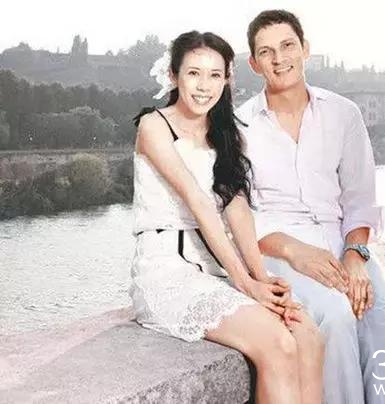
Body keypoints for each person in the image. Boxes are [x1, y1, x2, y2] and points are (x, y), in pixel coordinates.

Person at [236, 10, 385, 404]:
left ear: (305, 49)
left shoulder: (343, 113)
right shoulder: (239, 126)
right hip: (279, 249)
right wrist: (294, 251)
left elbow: (359, 198)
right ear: (253, 63)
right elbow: (240, 214)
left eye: (287, 45)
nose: (279, 58)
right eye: (266, 52)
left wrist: (355, 257)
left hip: (342, 241)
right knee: (335, 318)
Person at [129, 30, 324, 404]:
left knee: (308, 334)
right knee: (278, 343)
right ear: (173, 76)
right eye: (194, 73)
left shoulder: (227, 134)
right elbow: (199, 202)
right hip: (166, 273)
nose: (204, 86)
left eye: (215, 75)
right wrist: (245, 283)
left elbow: (237, 210)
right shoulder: (154, 125)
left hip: (217, 269)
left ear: (227, 79)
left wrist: (261, 276)